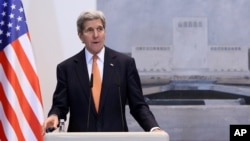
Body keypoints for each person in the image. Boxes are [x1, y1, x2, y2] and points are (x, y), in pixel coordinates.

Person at [42, 9, 163, 134]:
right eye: (90, 30)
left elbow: (138, 105)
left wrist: (153, 128)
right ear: (80, 35)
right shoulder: (67, 68)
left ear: (104, 32)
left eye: (100, 29)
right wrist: (54, 115)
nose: (96, 35)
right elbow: (60, 106)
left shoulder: (124, 64)